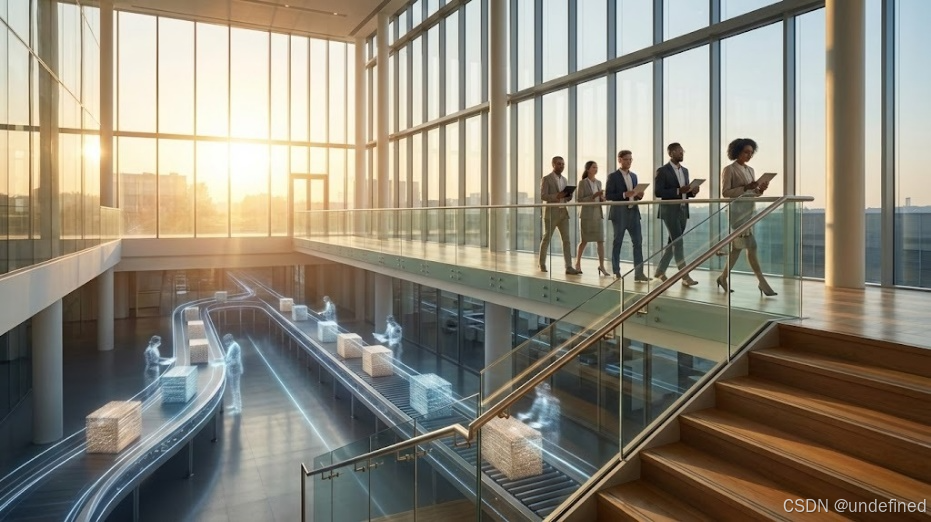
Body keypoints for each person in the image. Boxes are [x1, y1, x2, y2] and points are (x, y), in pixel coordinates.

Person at [717, 138, 777, 297]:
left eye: (751, 153)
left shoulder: (751, 170)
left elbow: (752, 194)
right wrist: (745, 187)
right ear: (737, 152)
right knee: (752, 246)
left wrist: (760, 190)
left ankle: (722, 278)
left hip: (749, 213)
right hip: (736, 213)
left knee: (736, 249)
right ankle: (762, 282)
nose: (749, 155)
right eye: (746, 152)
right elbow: (725, 193)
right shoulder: (729, 169)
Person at [654, 143, 700, 287]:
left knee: (672, 243)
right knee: (678, 243)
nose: (682, 154)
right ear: (671, 153)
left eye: (682, 151)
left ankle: (660, 271)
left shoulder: (685, 171)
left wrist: (692, 192)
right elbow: (658, 192)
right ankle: (685, 276)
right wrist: (679, 191)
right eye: (679, 152)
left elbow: (685, 191)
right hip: (669, 211)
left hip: (682, 210)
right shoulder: (662, 171)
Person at [605, 150, 649, 281]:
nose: (628, 162)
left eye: (630, 159)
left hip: (633, 212)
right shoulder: (613, 176)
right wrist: (625, 195)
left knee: (638, 242)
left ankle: (639, 273)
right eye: (626, 159)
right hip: (619, 213)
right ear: (619, 160)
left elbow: (635, 194)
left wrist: (639, 195)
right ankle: (616, 271)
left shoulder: (634, 176)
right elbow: (608, 195)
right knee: (617, 242)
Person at [539, 156, 582, 275]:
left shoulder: (564, 179)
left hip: (563, 212)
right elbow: (543, 196)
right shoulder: (546, 179)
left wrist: (568, 196)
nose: (561, 166)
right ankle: (542, 263)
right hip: (551, 212)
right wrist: (556, 196)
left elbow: (566, 197)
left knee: (566, 240)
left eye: (563, 164)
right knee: (547, 238)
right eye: (559, 164)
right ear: (553, 164)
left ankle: (568, 267)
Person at [574, 161, 608, 276]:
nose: (596, 169)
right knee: (584, 240)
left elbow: (600, 198)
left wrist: (602, 198)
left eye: (597, 167)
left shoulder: (599, 182)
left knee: (600, 241)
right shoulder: (582, 183)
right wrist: (594, 196)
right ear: (588, 169)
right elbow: (580, 200)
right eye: (594, 167)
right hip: (586, 215)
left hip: (597, 214)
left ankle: (602, 266)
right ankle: (577, 263)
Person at [223, 333, 244, 414]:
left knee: (236, 390)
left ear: (230, 341)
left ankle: (238, 409)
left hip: (235, 370)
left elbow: (236, 360)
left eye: (226, 342)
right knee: (233, 388)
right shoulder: (232, 346)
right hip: (232, 370)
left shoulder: (235, 347)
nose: (225, 344)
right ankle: (235, 405)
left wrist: (226, 363)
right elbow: (230, 357)